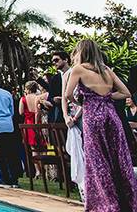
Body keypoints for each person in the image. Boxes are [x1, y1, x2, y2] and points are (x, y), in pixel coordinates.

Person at [65, 38, 137, 211]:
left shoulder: (79, 69)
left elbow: (68, 94)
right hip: (111, 116)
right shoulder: (106, 70)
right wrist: (108, 97)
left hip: (93, 116)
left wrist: (82, 102)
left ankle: (106, 203)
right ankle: (127, 202)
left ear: (81, 52)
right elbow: (126, 92)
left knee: (97, 159)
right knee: (118, 158)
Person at [62, 47, 85, 203]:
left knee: (87, 150)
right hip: (71, 117)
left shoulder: (86, 72)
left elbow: (87, 98)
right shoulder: (67, 75)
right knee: (76, 153)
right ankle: (82, 188)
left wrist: (76, 116)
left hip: (83, 115)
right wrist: (66, 116)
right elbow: (65, 97)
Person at [19, 81, 45, 178]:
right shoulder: (39, 97)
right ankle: (44, 170)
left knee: (33, 148)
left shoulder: (23, 99)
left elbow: (21, 112)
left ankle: (38, 171)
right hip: (39, 122)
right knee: (42, 147)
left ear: (27, 89)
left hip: (29, 123)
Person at [47, 51, 71, 124]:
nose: (54, 63)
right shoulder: (55, 78)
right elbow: (50, 97)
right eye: (53, 61)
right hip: (61, 116)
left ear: (66, 60)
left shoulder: (75, 73)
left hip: (78, 112)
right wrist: (54, 100)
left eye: (56, 60)